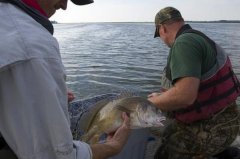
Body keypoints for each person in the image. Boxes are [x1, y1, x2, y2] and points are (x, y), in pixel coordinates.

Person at [0, 0, 130, 159]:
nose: (64, 5)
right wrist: (112, 147)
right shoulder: (31, 45)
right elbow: (55, 155)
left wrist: (48, 93)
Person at [148, 6, 240, 159]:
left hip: (213, 128)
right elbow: (194, 88)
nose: (163, 41)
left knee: (165, 151)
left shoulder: (184, 43)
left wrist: (150, 103)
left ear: (162, 28)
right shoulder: (198, 38)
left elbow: (185, 96)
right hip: (228, 124)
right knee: (168, 130)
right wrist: (161, 96)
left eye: (159, 35)